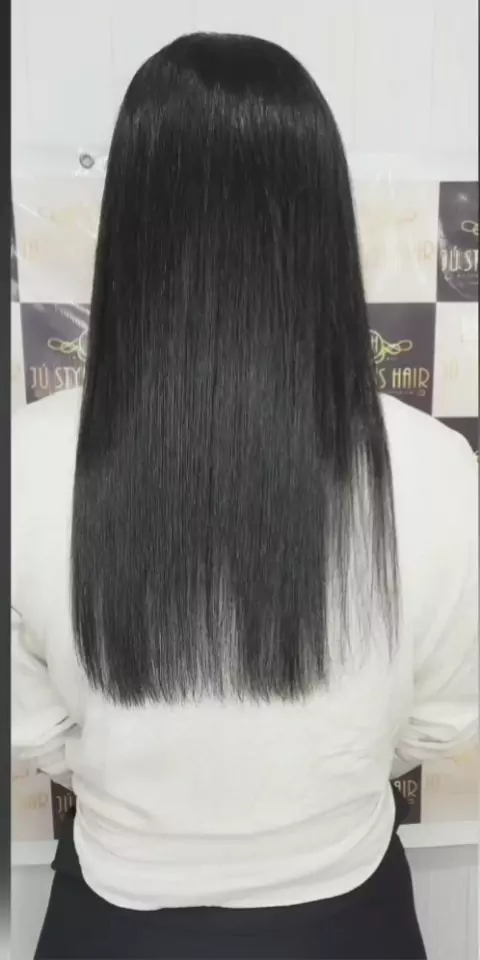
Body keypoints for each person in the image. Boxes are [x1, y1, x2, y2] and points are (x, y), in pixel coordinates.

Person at [12, 33, 477, 960]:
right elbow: (442, 719)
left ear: (132, 218)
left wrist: (126, 780)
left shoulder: (25, 460)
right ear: (321, 219)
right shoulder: (434, 466)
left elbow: (32, 729)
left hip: (117, 916)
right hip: (346, 917)